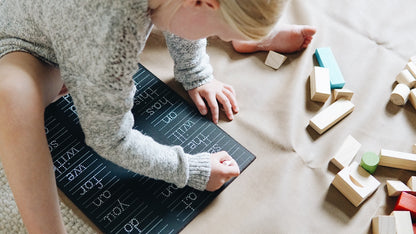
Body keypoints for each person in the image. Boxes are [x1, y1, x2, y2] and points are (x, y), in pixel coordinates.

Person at [0, 0, 315, 232]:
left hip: (70, 27)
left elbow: (177, 13)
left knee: (169, 16)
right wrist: (189, 169)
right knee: (11, 99)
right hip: (23, 44)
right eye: (217, 30)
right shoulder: (114, 29)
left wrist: (196, 72)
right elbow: (110, 138)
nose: (209, 36)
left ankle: (240, 31)